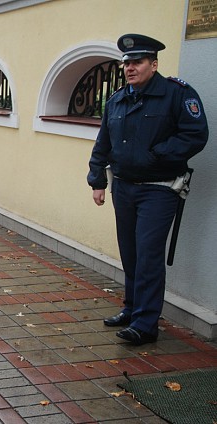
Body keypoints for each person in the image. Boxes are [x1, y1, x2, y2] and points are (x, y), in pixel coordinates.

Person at [87, 34, 208, 346]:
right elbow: (104, 143)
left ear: (153, 64)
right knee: (130, 253)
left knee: (149, 255)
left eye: (137, 62)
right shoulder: (117, 99)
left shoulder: (176, 95)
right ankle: (131, 309)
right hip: (124, 188)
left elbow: (195, 135)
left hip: (160, 189)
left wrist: (157, 154)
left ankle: (145, 324)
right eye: (126, 62)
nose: (130, 67)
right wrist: (97, 179)